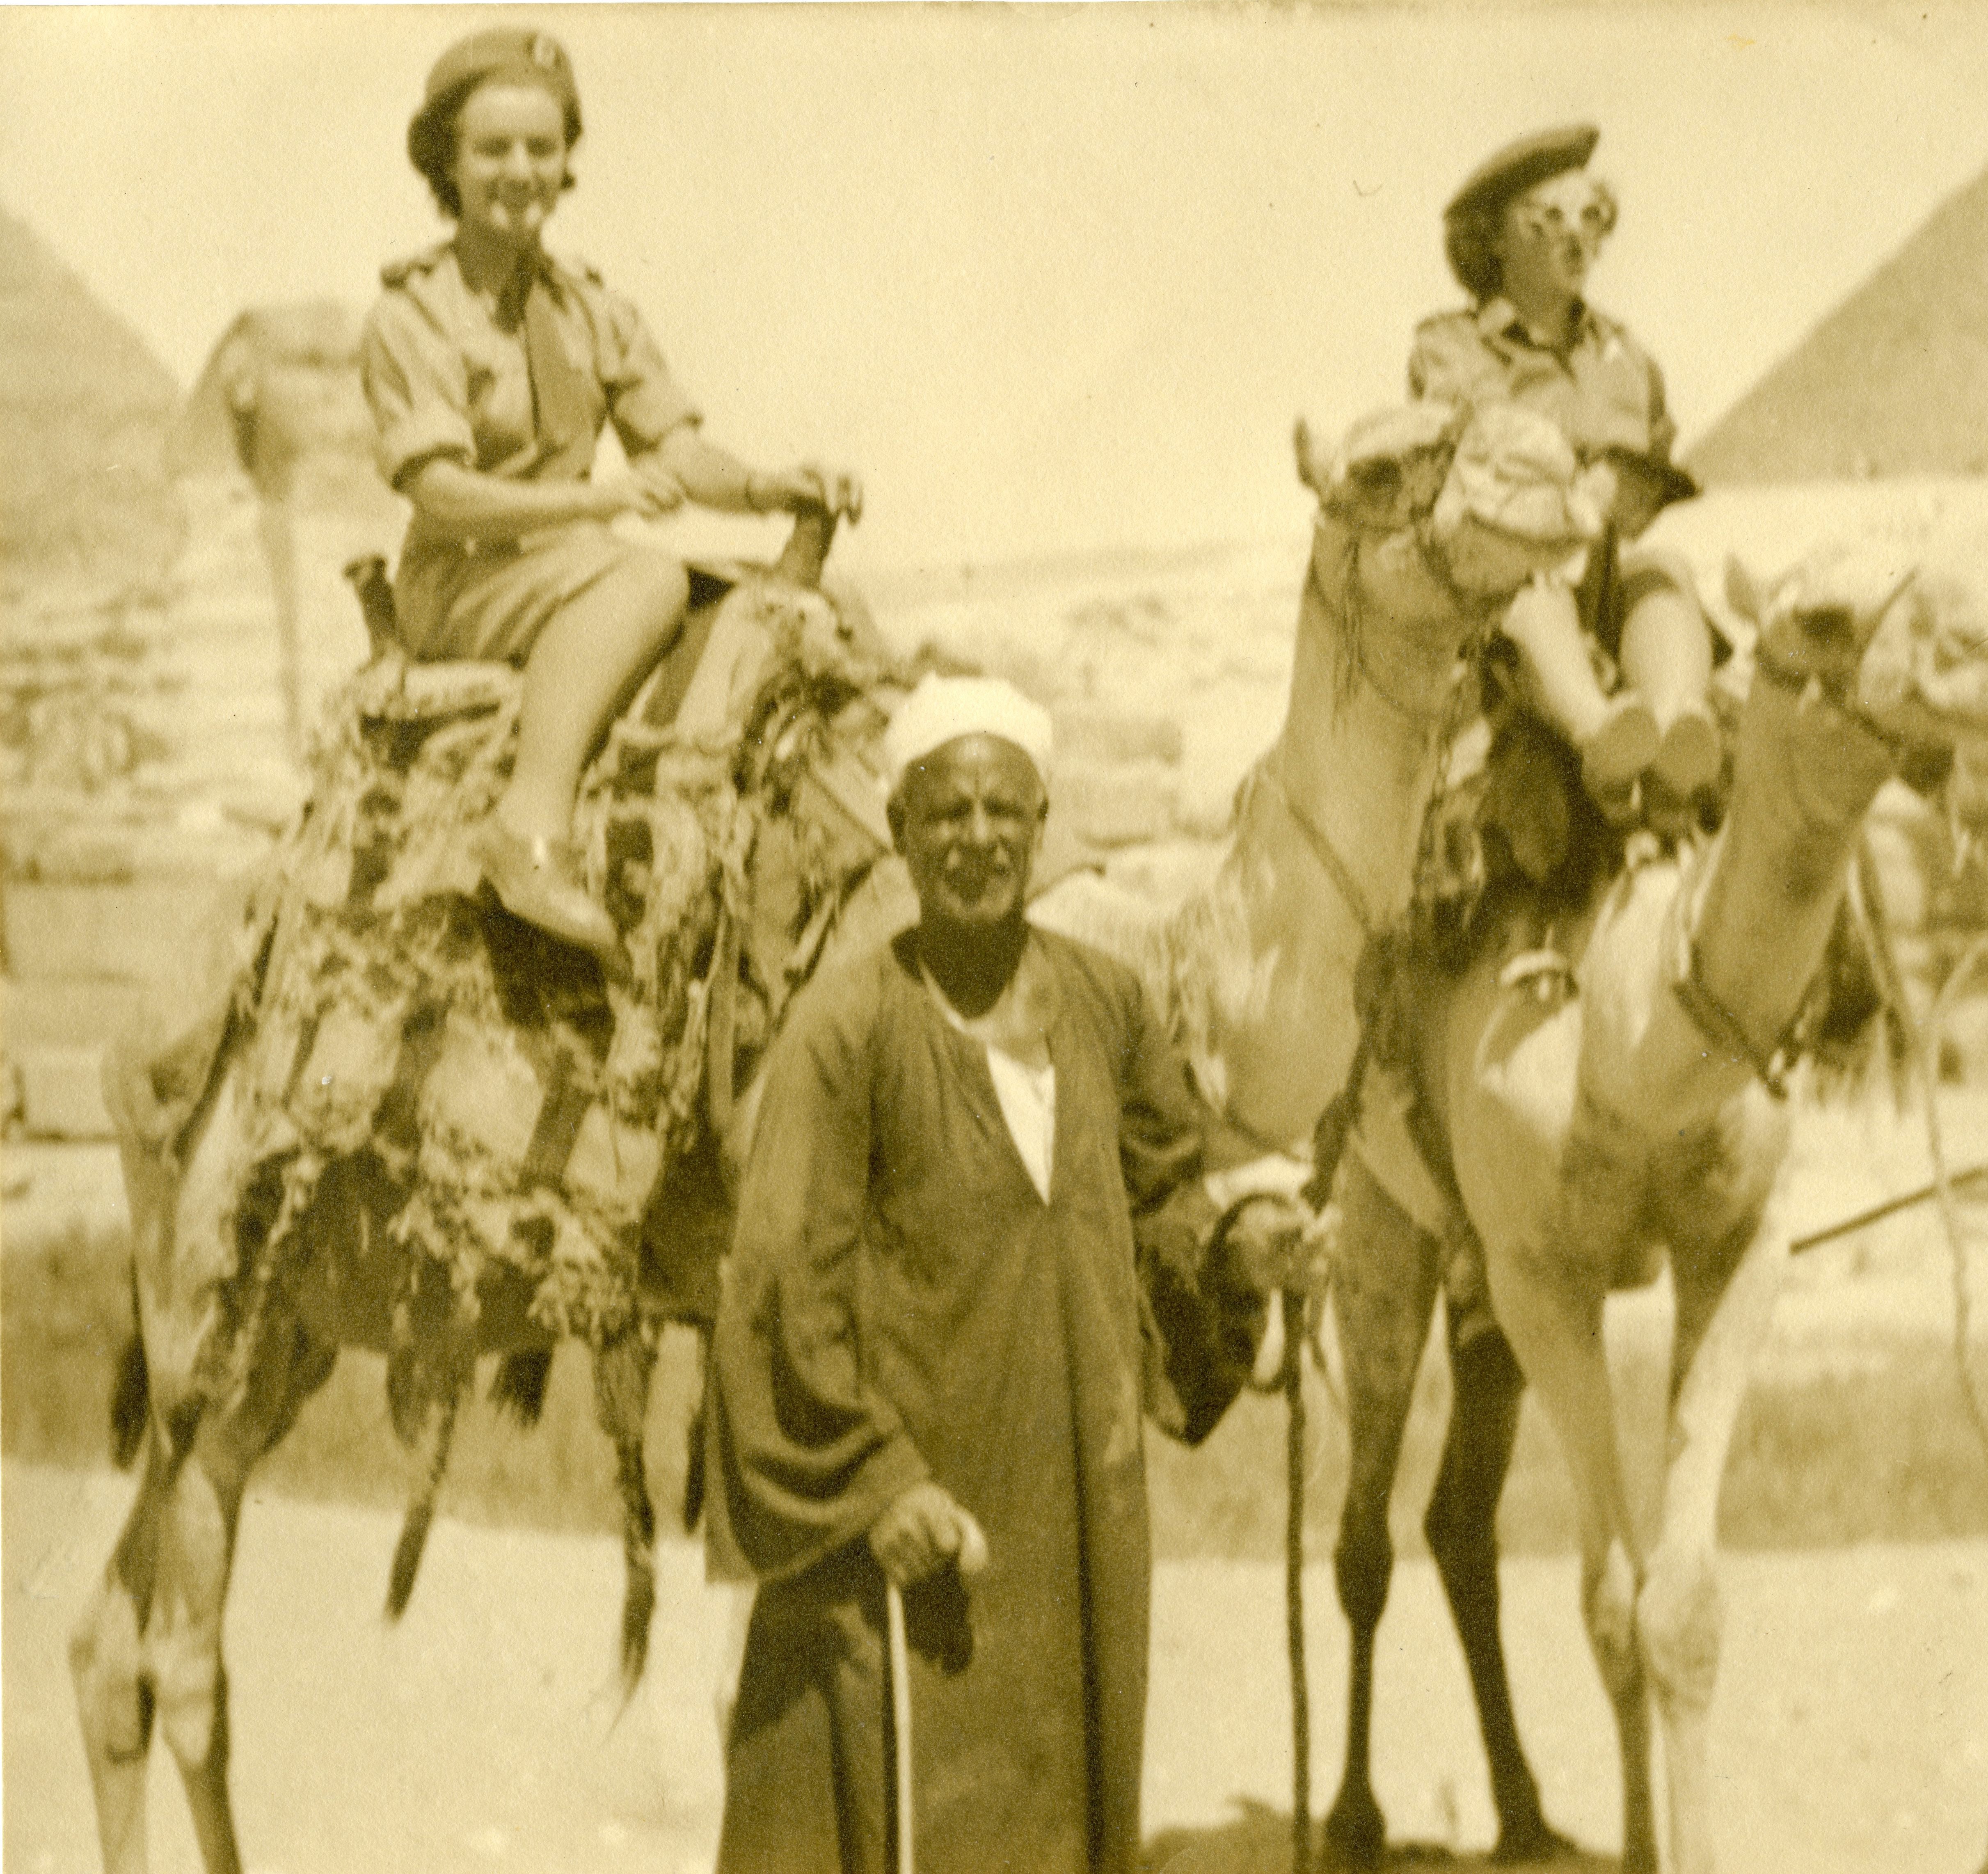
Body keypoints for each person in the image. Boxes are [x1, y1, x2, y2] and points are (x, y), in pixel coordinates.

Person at [704, 675, 1325, 1874]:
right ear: (897, 832)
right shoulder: (847, 1031)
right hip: (909, 1527)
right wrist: (881, 1487)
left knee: (1059, 1812)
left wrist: (1243, 1250)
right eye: (946, 813)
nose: (977, 839)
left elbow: (1161, 1208)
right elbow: (783, 1286)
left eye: (1004, 812)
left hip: (1078, 1525)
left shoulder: (1108, 1006)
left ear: (1042, 828)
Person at [361, 27, 861, 961]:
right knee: (647, 583)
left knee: (776, 610)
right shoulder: (411, 314)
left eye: (543, 149)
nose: (522, 170)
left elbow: (672, 443)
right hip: (463, 581)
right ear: (448, 164)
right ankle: (528, 827)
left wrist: (764, 486)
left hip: (568, 564)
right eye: (493, 149)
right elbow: (439, 497)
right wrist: (594, 506)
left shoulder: (589, 306)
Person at [1412, 124, 1720, 822]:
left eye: (1591, 217)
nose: (1575, 238)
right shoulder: (1450, 349)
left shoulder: (1627, 357)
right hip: (1503, 596)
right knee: (1535, 591)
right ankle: (1600, 738)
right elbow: (1479, 451)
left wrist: (1629, 491)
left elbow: (1654, 465)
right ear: (1494, 240)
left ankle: (1672, 742)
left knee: (1666, 570)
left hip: (1607, 585)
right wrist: (1573, 500)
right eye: (1547, 220)